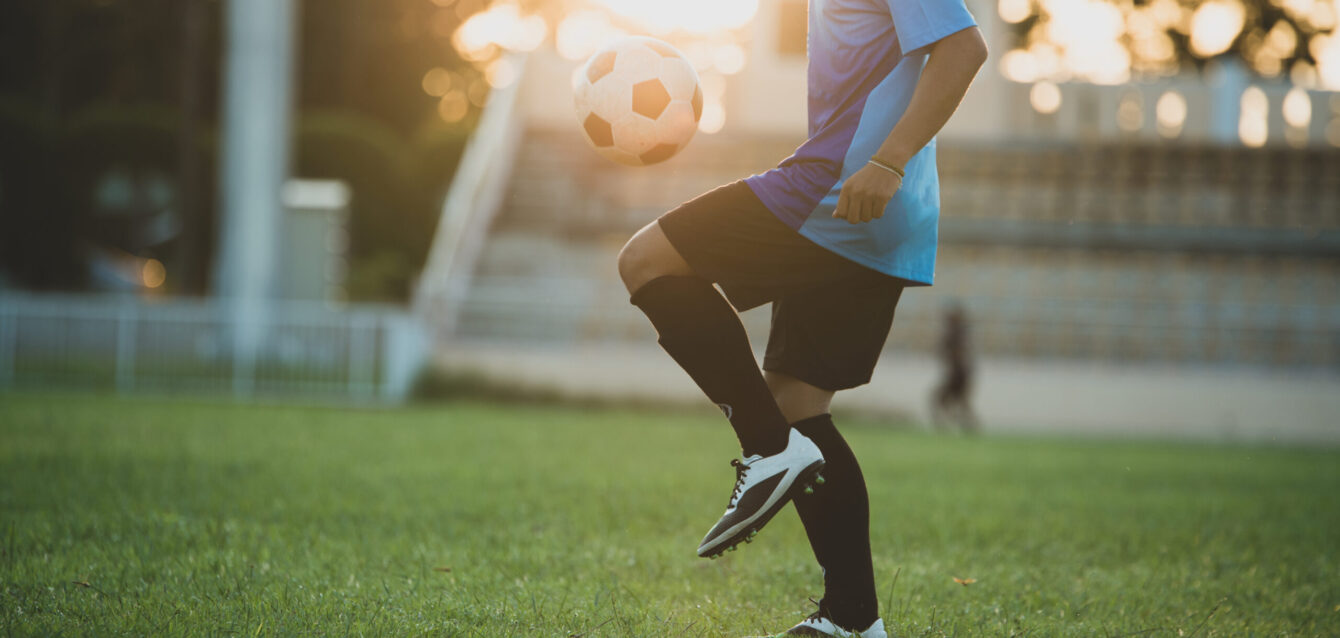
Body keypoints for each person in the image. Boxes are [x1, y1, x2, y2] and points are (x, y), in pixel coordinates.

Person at [616, 0, 988, 634]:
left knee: (645, 261)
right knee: (798, 402)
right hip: (876, 217)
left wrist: (886, 161)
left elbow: (964, 48)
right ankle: (853, 620)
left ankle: (767, 450)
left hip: (845, 185)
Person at [932, 302, 979, 433]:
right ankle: (967, 426)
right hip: (961, 373)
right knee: (957, 402)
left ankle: (953, 426)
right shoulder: (960, 333)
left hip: (959, 374)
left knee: (943, 400)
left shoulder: (956, 334)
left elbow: (952, 353)